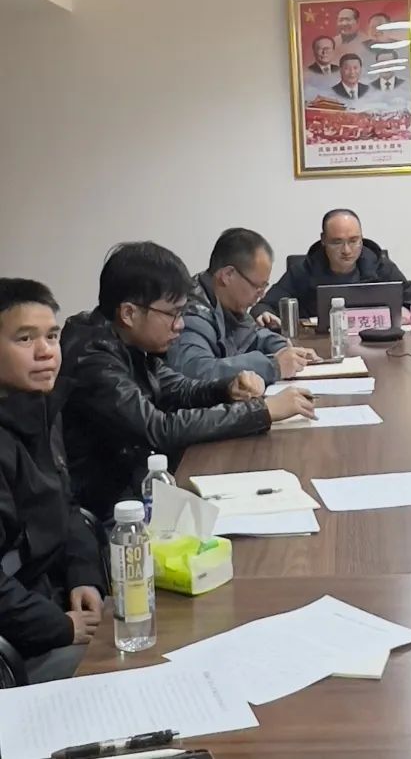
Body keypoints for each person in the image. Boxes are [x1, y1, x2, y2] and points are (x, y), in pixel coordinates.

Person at [61, 242, 315, 520]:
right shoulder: (93, 357)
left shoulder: (129, 341)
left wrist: (227, 388)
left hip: (139, 489)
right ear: (129, 313)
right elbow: (159, 429)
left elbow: (179, 388)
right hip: (111, 512)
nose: (180, 325)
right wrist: (262, 411)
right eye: (173, 314)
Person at [0, 279, 107, 683]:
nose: (45, 351)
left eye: (52, 336)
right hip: (17, 645)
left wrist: (84, 575)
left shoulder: (41, 409)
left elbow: (65, 504)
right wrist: (59, 627)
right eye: (25, 338)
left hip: (47, 599)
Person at [167, 228, 319, 384]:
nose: (262, 295)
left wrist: (284, 349)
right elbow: (197, 371)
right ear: (228, 275)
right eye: (257, 287)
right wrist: (272, 366)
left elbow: (253, 335)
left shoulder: (228, 303)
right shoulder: (191, 313)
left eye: (264, 287)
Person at [255, 208, 411, 325]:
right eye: (337, 242)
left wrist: (406, 310)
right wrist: (263, 314)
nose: (346, 250)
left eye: (353, 241)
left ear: (362, 239)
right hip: (321, 348)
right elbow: (264, 306)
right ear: (323, 240)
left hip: (377, 345)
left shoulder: (379, 266)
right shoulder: (304, 270)